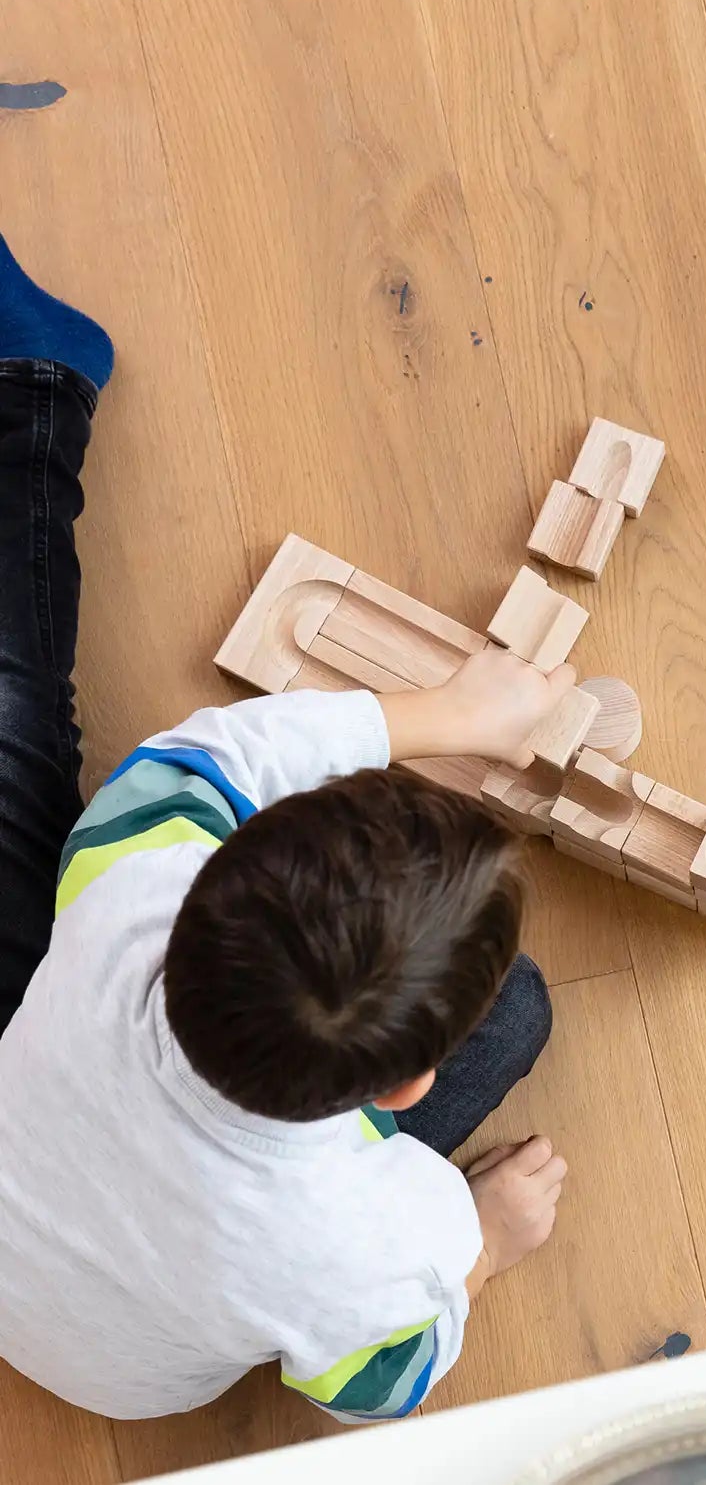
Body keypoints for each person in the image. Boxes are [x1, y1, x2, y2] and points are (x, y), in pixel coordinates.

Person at [0, 233, 572, 1423]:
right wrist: (485, 1247)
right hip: (129, 1359)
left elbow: (217, 757)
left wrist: (444, 713)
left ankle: (33, 388)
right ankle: (30, 394)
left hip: (46, 1099)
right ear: (408, 1086)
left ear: (210, 882)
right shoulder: (378, 1241)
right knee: (516, 1007)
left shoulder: (131, 894)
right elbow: (379, 1382)